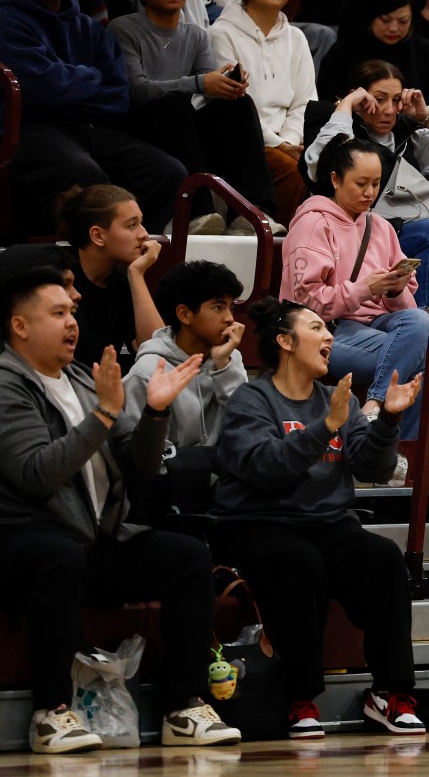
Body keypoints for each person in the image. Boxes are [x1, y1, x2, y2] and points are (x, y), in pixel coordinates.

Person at [0, 266, 240, 753]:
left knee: (187, 557)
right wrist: (105, 414)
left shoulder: (84, 381)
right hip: (23, 544)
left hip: (93, 541)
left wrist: (155, 413)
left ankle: (184, 707)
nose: (73, 322)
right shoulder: (7, 385)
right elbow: (35, 474)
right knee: (58, 557)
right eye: (58, 312)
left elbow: (140, 471)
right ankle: (51, 713)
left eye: (73, 312)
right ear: (19, 326)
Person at [213, 297, 426, 739]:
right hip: (262, 526)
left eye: (329, 329)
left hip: (328, 525)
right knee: (299, 561)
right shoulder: (252, 400)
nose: (330, 336)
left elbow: (374, 468)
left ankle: (389, 693)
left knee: (384, 557)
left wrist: (387, 419)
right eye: (316, 328)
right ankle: (299, 697)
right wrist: (323, 428)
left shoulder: (337, 401)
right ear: (285, 341)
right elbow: (265, 469)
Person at [0, 0, 186, 237]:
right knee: (85, 173)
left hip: (87, 128)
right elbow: (40, 86)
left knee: (168, 171)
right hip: (29, 130)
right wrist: (90, 76)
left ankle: (129, 254)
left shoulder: (88, 27)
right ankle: (82, 258)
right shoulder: (8, 20)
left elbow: (117, 96)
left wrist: (68, 83)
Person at [303, 60, 429, 367]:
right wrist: (347, 105)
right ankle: (423, 339)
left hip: (411, 227)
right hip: (366, 232)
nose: (388, 109)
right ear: (360, 96)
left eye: (395, 99)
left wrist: (424, 114)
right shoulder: (345, 131)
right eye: (378, 98)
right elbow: (317, 163)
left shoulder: (407, 132)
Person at [110, 0, 281, 235]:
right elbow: (137, 91)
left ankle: (255, 211)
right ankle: (196, 213)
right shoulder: (123, 29)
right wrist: (202, 83)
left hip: (181, 124)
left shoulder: (195, 34)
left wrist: (229, 84)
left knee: (238, 105)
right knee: (174, 104)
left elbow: (208, 85)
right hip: (139, 126)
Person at [282, 135, 429, 438]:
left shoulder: (381, 226)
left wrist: (394, 289)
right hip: (324, 330)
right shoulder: (313, 224)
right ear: (335, 180)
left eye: (376, 184)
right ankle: (392, 443)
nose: (370, 192)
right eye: (361, 183)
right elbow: (308, 304)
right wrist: (366, 288)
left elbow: (406, 308)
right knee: (417, 363)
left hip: (375, 327)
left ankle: (375, 407)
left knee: (420, 320)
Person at [207, 0, 315, 226]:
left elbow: (304, 101)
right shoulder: (221, 33)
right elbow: (236, 102)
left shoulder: (296, 38)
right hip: (244, 142)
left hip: (287, 140)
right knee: (294, 170)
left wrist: (289, 141)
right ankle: (267, 239)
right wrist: (280, 145)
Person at [125, 260, 247, 473]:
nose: (229, 319)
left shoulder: (229, 358)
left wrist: (224, 368)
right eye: (218, 307)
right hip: (170, 491)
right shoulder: (148, 371)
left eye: (231, 307)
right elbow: (144, 458)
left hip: (224, 486)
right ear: (184, 314)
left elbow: (247, 428)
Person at [320, 0, 429, 118]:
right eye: (385, 20)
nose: (393, 28)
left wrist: (421, 112)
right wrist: (349, 106)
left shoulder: (427, 53)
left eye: (403, 21)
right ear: (370, 17)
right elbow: (322, 104)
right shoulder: (343, 52)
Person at [56, 185, 164, 369]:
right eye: (132, 225)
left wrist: (136, 274)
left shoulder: (121, 280)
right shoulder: (56, 274)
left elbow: (158, 355)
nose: (144, 234)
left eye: (141, 223)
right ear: (98, 236)